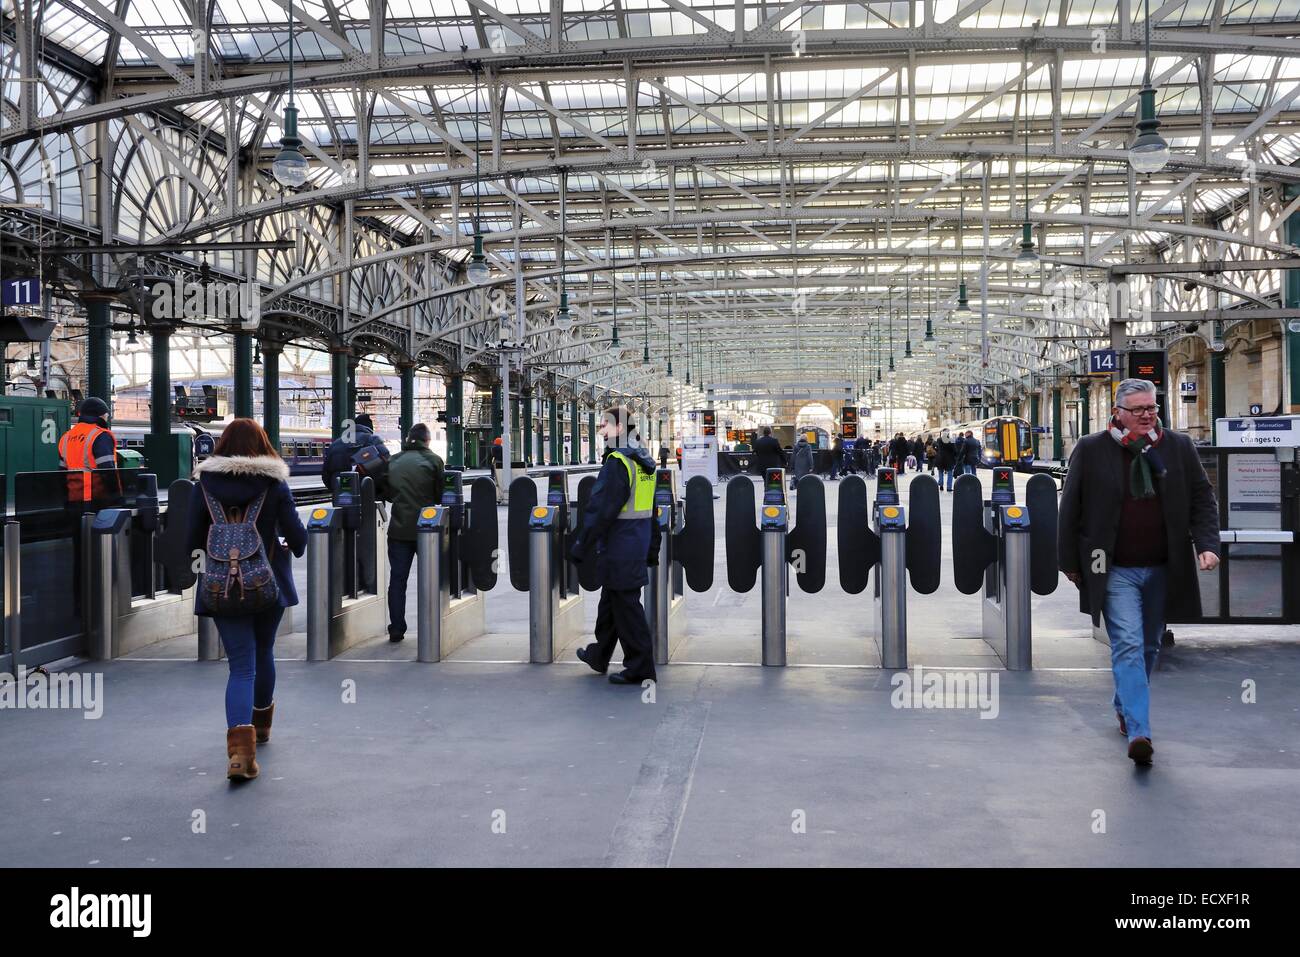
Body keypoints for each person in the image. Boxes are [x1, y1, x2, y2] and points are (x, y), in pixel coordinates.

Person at [1058, 379, 1220, 767]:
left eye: (1151, 407)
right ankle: (1139, 731)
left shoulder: (1177, 447)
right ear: (1118, 413)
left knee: (1149, 646)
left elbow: (1202, 498)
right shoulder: (1092, 449)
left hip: (1163, 566)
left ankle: (1123, 704)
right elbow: (1072, 507)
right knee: (1128, 645)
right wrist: (1070, 563)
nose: (1148, 415)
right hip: (1114, 569)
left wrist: (1207, 545)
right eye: (1138, 410)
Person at [187, 418, 308, 782]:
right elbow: (297, 539)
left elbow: (192, 537)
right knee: (264, 651)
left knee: (240, 666)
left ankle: (240, 755)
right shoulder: (274, 484)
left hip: (221, 587)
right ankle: (263, 726)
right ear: (263, 445)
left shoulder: (204, 485)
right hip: (266, 585)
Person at [572, 406, 660, 685]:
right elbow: (652, 509)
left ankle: (641, 668)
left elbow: (601, 509)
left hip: (620, 545)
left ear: (620, 429)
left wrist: (581, 544)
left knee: (627, 608)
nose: (601, 431)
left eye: (604, 426)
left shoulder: (618, 462)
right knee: (611, 601)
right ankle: (599, 654)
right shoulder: (643, 462)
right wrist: (652, 547)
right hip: (636, 541)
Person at [384, 423, 445, 643]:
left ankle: (397, 628)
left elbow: (388, 493)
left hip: (399, 530)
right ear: (427, 440)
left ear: (409, 438)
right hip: (427, 531)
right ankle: (432, 625)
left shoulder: (394, 460)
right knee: (430, 578)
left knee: (398, 580)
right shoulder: (434, 461)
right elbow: (441, 496)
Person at [58, 396, 119, 503]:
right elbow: (107, 471)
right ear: (100, 415)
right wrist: (116, 497)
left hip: (72, 498)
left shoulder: (66, 437)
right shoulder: (100, 435)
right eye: (106, 414)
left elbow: (61, 472)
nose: (107, 417)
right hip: (95, 498)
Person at [322, 412, 390, 492]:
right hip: (369, 492)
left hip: (342, 492)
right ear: (370, 428)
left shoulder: (335, 444)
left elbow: (326, 473)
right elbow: (388, 465)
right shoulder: (373, 440)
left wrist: (335, 489)